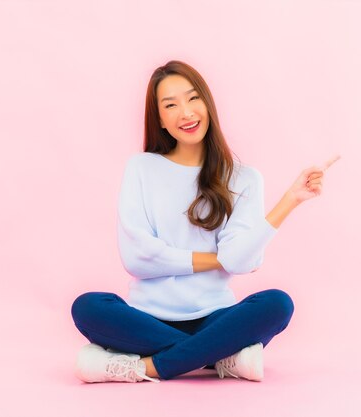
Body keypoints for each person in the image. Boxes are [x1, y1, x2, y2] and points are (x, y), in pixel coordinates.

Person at [71, 60, 340, 383]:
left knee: (277, 304)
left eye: (193, 98)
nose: (186, 112)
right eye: (171, 105)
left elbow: (239, 261)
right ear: (160, 120)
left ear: (208, 104)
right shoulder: (141, 168)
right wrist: (217, 261)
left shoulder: (244, 179)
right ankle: (222, 357)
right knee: (87, 306)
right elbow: (137, 257)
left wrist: (290, 200)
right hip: (145, 318)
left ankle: (143, 368)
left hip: (215, 319)